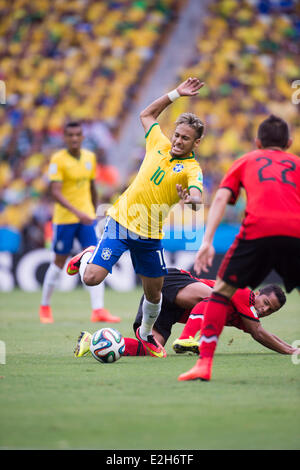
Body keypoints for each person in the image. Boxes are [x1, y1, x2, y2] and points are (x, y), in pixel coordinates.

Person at [67, 77, 205, 358]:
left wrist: (190, 199)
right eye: (177, 134)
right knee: (92, 278)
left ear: (196, 142)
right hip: (120, 223)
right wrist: (176, 92)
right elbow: (147, 114)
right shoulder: (158, 143)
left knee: (155, 295)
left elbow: (197, 199)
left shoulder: (192, 169)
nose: (178, 140)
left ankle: (145, 336)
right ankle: (85, 258)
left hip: (151, 235)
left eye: (185, 138)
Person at [178, 114, 300, 382]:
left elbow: (222, 197)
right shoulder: (297, 164)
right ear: (289, 142)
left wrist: (207, 241)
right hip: (295, 230)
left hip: (256, 230)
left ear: (257, 142)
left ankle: (204, 364)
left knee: (220, 294)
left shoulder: (245, 161)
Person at [73, 268, 298, 359]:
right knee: (215, 298)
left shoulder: (245, 318)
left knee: (152, 349)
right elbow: (258, 332)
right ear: (257, 294)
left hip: (168, 308)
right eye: (266, 302)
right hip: (172, 282)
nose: (265, 309)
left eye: (271, 310)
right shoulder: (242, 294)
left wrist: (291, 347)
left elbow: (260, 331)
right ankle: (186, 338)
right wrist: (290, 351)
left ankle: (91, 341)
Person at [39, 121, 119, 324]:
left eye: (77, 135)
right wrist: (78, 212)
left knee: (95, 259)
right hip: (65, 219)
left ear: (82, 137)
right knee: (58, 262)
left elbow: (92, 187)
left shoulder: (90, 157)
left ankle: (98, 310)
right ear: (65, 138)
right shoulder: (58, 160)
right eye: (70, 135)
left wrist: (94, 210)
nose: (74, 138)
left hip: (86, 219)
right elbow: (55, 192)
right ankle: (45, 307)